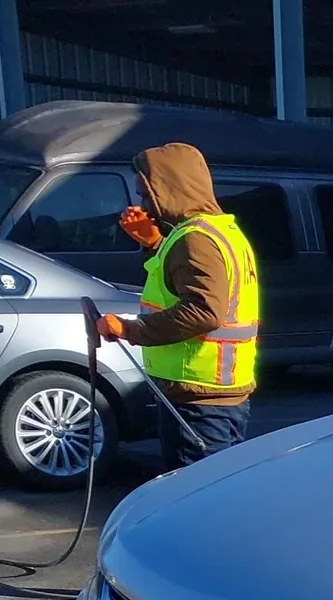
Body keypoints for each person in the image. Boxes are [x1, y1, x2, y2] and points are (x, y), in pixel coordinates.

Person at [93, 143, 259, 467]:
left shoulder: (195, 239)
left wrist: (128, 329)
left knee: (196, 492)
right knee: (219, 486)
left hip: (199, 399)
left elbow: (203, 311)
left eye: (146, 195)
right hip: (216, 395)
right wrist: (154, 242)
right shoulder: (219, 230)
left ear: (170, 189)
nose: (144, 204)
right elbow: (188, 283)